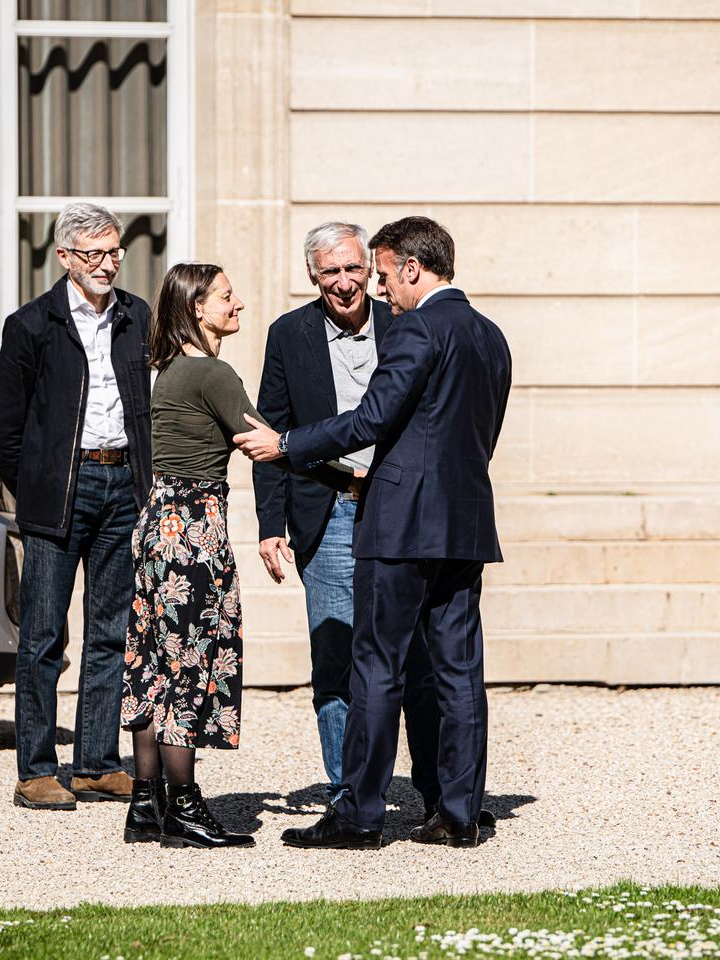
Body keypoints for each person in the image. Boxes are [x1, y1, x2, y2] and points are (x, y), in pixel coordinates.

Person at [235, 216, 512, 849]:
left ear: (413, 268)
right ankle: (459, 814)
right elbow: (482, 434)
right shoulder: (491, 336)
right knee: (459, 669)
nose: (382, 289)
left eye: (382, 274)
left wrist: (287, 444)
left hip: (398, 522)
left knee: (376, 666)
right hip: (463, 521)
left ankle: (359, 814)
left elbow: (372, 418)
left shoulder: (416, 327)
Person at [119, 262, 353, 849]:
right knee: (187, 666)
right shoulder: (212, 373)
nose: (239, 304)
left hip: (159, 524)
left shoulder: (169, 369)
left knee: (153, 663)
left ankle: (147, 807)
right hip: (193, 531)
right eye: (226, 297)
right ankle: (185, 809)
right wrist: (343, 461)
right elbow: (265, 443)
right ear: (197, 307)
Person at [252, 221, 441, 810]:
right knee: (336, 657)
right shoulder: (289, 334)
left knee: (412, 655)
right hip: (329, 508)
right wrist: (269, 525)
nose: (344, 283)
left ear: (371, 270)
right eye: (329, 272)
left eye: (354, 269)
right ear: (313, 276)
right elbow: (271, 431)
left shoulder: (406, 324)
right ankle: (348, 790)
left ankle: (432, 788)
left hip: (396, 509)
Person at [0, 201, 153, 811]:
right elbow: (5, 428)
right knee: (44, 636)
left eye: (115, 251)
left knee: (111, 631)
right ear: (65, 258)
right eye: (96, 254)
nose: (109, 263)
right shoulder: (32, 324)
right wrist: (35, 486)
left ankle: (94, 763)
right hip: (60, 492)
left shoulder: (138, 317)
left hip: (123, 489)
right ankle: (35, 769)